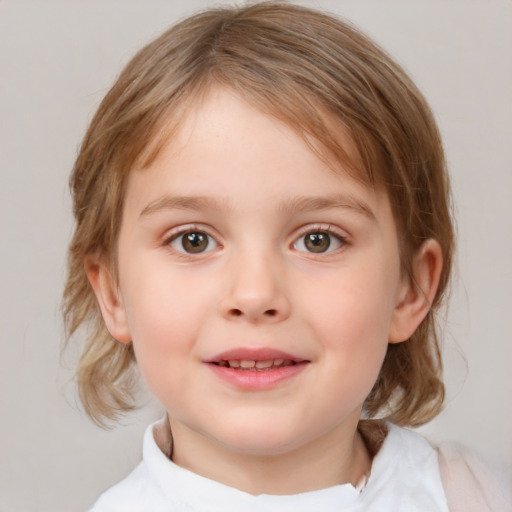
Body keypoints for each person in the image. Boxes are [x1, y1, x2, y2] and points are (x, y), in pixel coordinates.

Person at [62, 2, 510, 510]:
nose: (254, 295)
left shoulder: (481, 496)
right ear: (113, 291)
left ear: (410, 288)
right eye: (193, 240)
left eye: (319, 239)